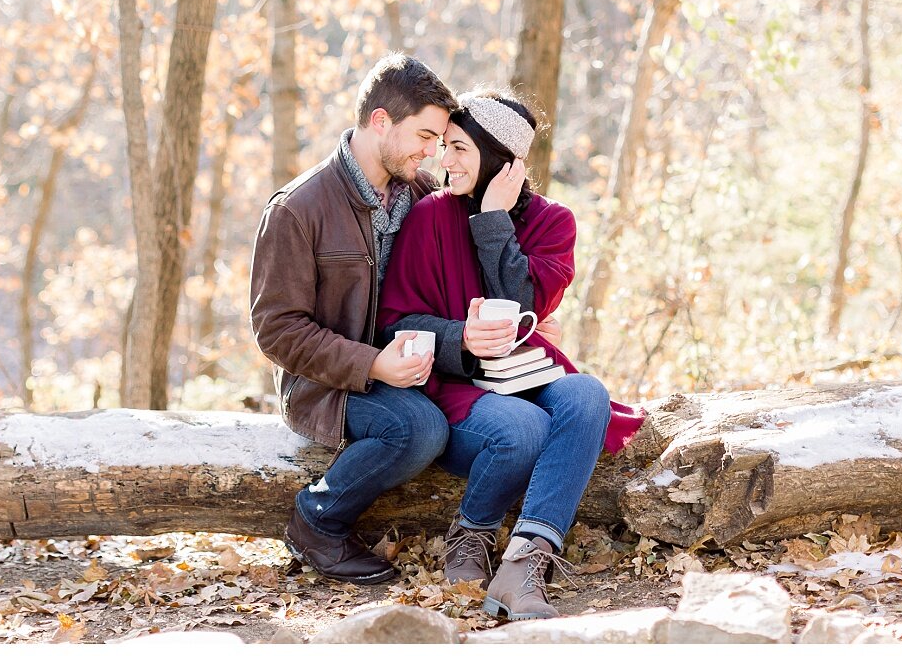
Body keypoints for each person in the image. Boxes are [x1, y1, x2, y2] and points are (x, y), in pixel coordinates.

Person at [377, 87, 645, 620]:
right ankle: (469, 535)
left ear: (502, 161)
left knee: (587, 394)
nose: (443, 161)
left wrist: (492, 220)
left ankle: (526, 563)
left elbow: (524, 305)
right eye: (444, 146)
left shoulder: (553, 223)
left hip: (526, 371)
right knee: (523, 426)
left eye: (460, 149)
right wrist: (461, 339)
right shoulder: (430, 216)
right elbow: (395, 322)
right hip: (452, 384)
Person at [249, 53, 460, 584]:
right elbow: (276, 330)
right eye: (424, 135)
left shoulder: (419, 194)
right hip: (323, 384)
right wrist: (372, 366)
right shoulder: (297, 208)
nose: (431, 150)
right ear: (380, 121)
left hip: (409, 371)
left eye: (438, 140)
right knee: (418, 429)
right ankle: (317, 521)